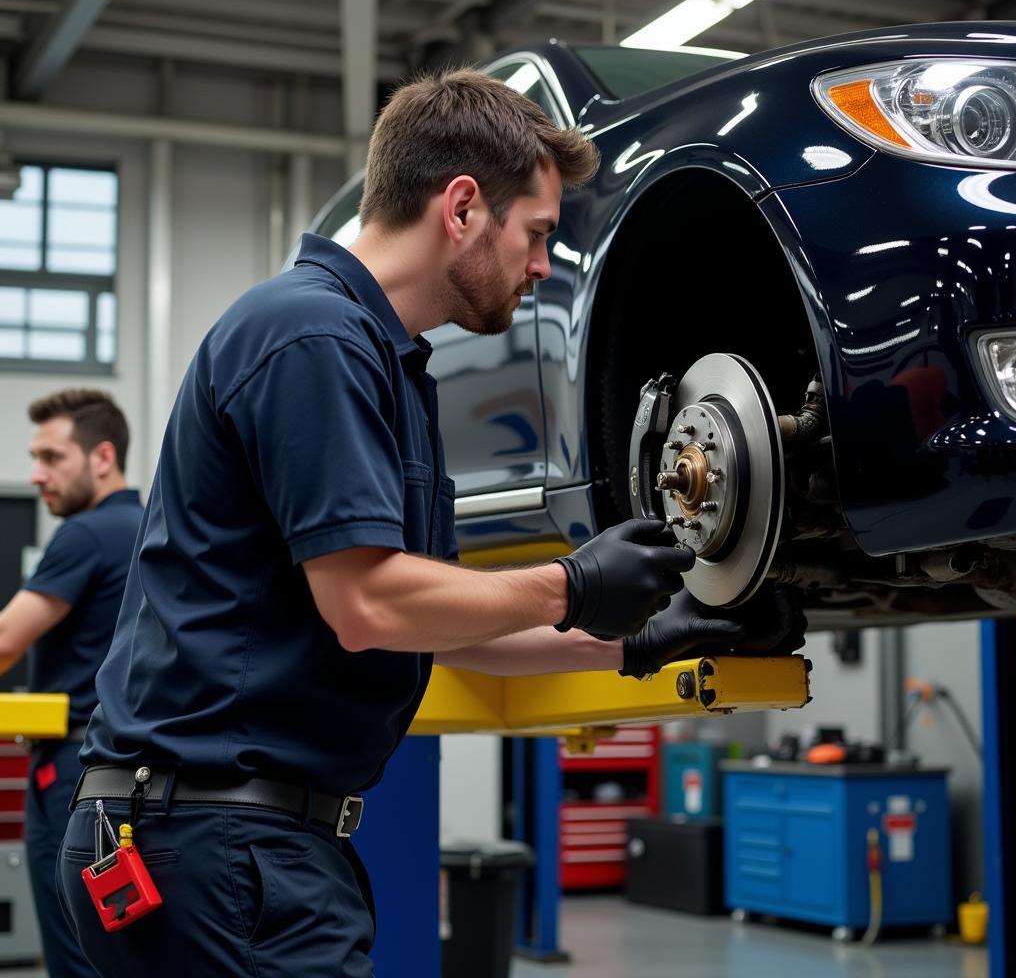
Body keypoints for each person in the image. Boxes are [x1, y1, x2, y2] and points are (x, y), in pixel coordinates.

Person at [57, 69, 804, 977]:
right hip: (215, 841)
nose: (541, 266)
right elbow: (367, 606)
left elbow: (441, 632)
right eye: (535, 235)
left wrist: (645, 643)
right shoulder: (312, 337)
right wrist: (573, 582)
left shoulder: (390, 368)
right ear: (460, 209)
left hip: (237, 842)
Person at [0, 390, 142, 978]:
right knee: (116, 951)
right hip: (128, 772)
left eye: (53, 457)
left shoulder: (85, 534)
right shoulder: (151, 524)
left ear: (102, 457)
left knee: (75, 954)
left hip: (72, 771)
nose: (37, 475)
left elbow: (6, 640)